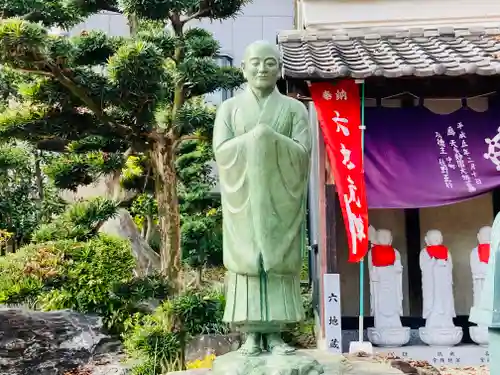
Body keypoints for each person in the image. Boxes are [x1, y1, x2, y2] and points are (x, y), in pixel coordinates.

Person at [213, 40, 311, 356]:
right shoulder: (228, 109)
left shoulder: (295, 109)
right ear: (243, 68)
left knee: (278, 265)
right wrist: (253, 143)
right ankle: (251, 337)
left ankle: (278, 337)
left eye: (270, 63)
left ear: (280, 69)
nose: (262, 69)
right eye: (255, 62)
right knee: (248, 265)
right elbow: (222, 152)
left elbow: (303, 152)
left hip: (279, 203)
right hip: (244, 203)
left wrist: (269, 141)